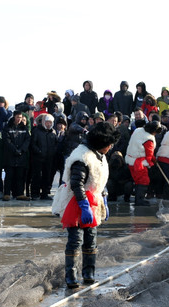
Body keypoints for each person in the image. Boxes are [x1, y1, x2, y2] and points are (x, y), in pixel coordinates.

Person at [51, 122, 120, 288]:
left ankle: (89, 273)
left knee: (91, 239)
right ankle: (71, 276)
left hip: (94, 201)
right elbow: (76, 183)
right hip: (77, 201)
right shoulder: (82, 157)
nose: (110, 147)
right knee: (75, 239)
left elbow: (100, 179)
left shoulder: (100, 154)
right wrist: (83, 205)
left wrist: (104, 196)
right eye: (108, 144)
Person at [125, 121, 162, 206]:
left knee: (136, 180)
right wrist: (153, 163)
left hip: (130, 160)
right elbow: (149, 155)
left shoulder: (138, 130)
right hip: (139, 163)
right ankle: (139, 200)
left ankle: (130, 197)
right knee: (143, 180)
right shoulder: (149, 139)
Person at [3, 110, 31, 201]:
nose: (19, 119)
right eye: (17, 117)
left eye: (20, 117)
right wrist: (14, 150)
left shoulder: (24, 128)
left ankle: (19, 194)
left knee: (20, 176)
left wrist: (22, 150)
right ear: (14, 117)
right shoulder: (7, 127)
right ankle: (7, 193)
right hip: (10, 155)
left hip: (21, 156)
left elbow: (27, 140)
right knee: (9, 176)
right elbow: (6, 141)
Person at [30, 114, 57, 200]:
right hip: (38, 158)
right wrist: (39, 151)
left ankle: (45, 193)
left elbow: (56, 144)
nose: (48, 124)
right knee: (36, 176)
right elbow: (33, 144)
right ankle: (35, 193)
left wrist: (52, 152)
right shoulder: (36, 131)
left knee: (47, 176)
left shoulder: (53, 132)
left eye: (50, 122)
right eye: (47, 122)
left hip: (49, 158)